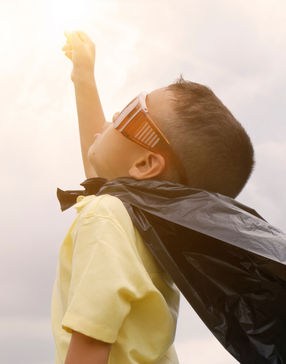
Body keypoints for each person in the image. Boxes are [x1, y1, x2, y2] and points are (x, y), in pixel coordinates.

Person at [51, 30, 255, 364]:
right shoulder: (147, 222)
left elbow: (90, 344)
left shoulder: (107, 215)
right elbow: (100, 168)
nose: (116, 114)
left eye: (132, 112)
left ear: (146, 164)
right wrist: (83, 76)